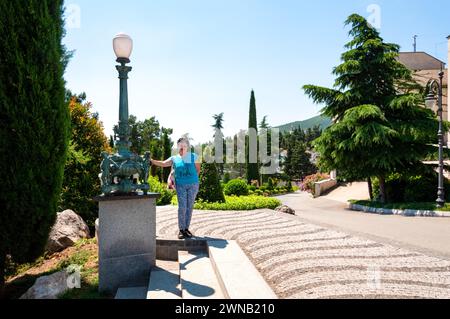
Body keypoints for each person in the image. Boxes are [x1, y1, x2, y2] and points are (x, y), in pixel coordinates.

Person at [151, 137, 201, 239]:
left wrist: (190, 178)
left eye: (184, 145)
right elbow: (164, 163)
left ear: (188, 146)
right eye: (180, 145)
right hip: (180, 185)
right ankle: (181, 230)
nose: (182, 147)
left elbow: (198, 170)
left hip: (193, 184)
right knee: (182, 207)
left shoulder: (195, 157)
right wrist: (152, 161)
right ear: (177, 146)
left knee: (189, 207)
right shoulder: (174, 158)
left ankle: (186, 228)